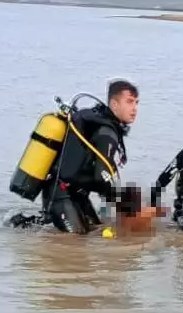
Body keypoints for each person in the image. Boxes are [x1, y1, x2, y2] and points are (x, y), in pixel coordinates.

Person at [43, 79, 139, 234]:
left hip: (77, 193)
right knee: (75, 244)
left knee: (95, 231)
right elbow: (101, 176)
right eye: (129, 102)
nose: (134, 108)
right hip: (60, 194)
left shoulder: (100, 121)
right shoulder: (107, 133)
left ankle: (35, 222)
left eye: (136, 103)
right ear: (114, 104)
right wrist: (123, 205)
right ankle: (21, 226)